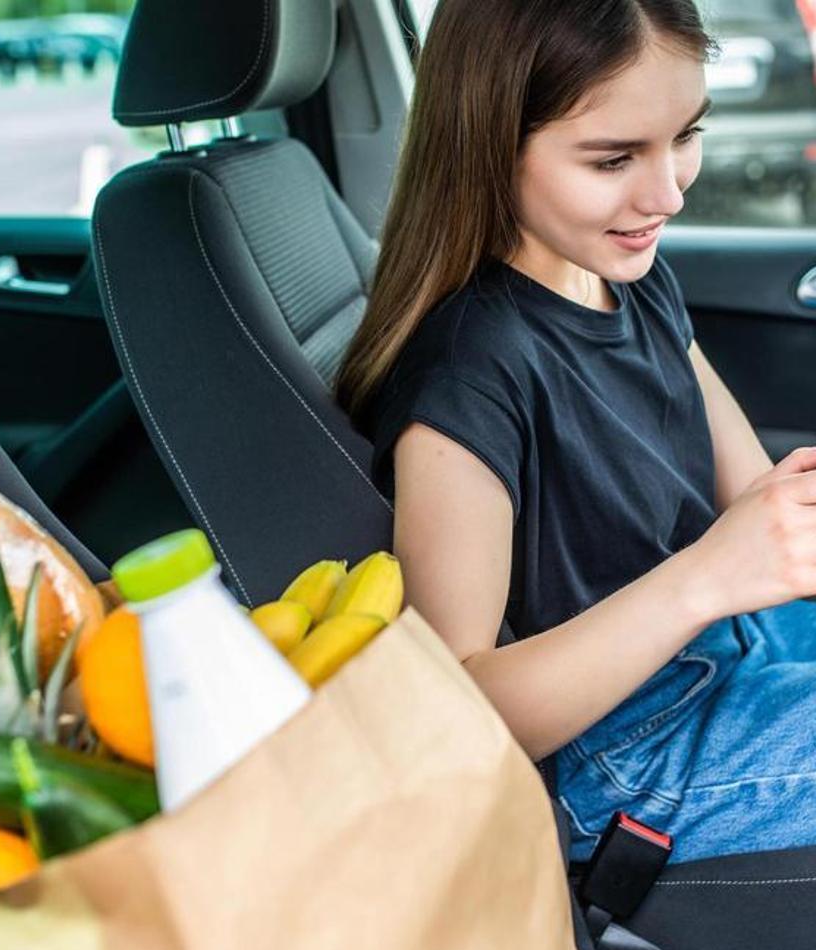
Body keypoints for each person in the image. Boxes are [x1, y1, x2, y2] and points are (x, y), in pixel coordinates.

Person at [333, 0, 816, 865]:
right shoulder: (471, 371)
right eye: (613, 158)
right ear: (490, 144)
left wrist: (772, 527)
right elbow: (458, 703)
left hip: (725, 647)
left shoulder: (632, 277)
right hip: (621, 750)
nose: (666, 192)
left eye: (686, 136)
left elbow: (749, 491)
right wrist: (707, 577)